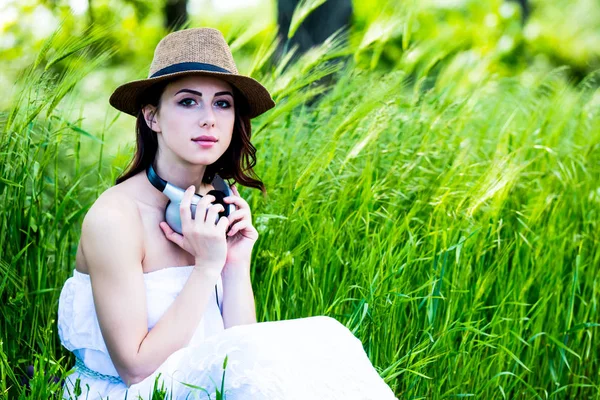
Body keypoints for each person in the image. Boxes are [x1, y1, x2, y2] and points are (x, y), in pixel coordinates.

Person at [57, 27, 397, 400]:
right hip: (132, 393)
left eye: (222, 103)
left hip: (206, 387)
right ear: (152, 116)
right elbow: (137, 370)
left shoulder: (217, 202)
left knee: (328, 337)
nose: (209, 119)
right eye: (188, 102)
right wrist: (205, 268)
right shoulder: (115, 218)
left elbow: (241, 348)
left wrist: (234, 262)